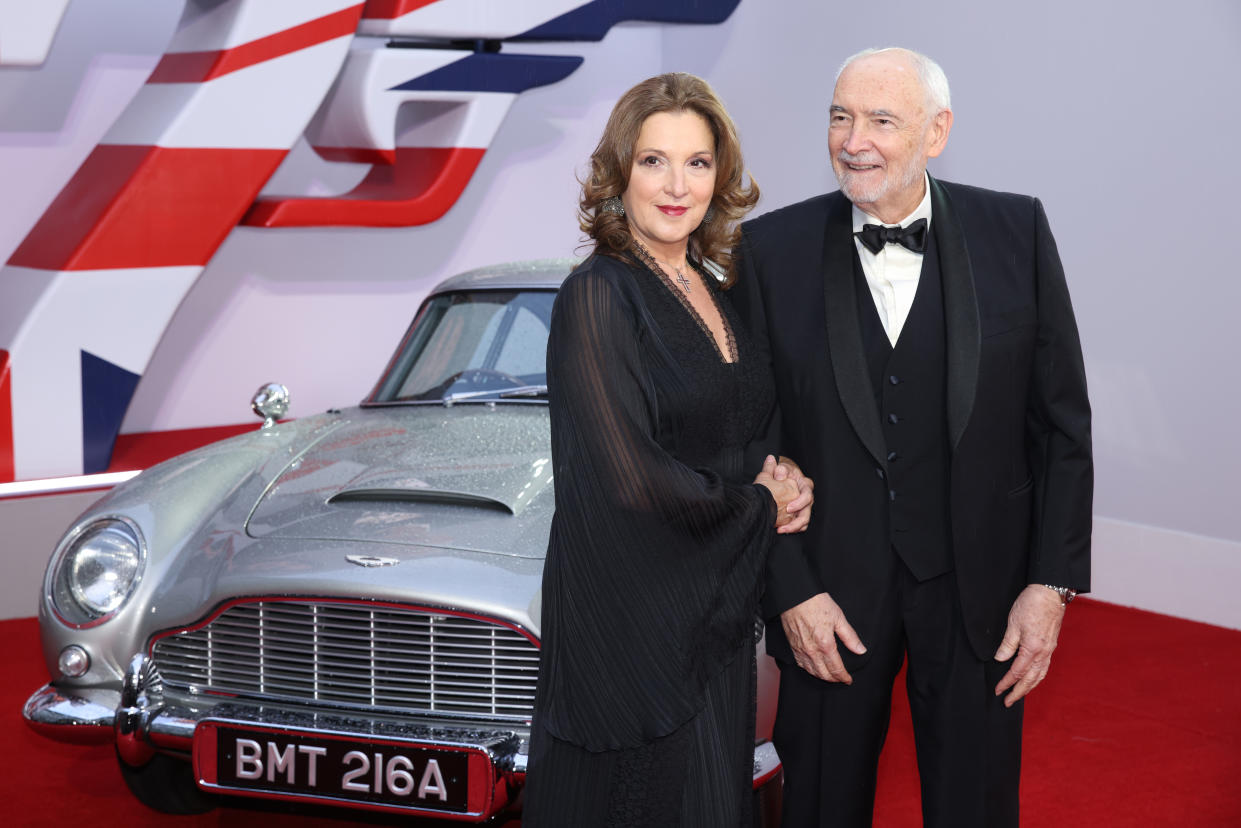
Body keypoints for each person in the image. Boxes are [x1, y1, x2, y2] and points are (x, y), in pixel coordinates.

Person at [730, 47, 1093, 827]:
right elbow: (749, 445)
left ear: (936, 132)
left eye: (880, 120)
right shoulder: (767, 252)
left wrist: (1049, 584)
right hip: (829, 596)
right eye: (839, 116)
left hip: (981, 592)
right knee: (821, 806)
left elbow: (1060, 425)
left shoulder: (1015, 230)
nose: (852, 140)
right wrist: (789, 589)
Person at [523, 72, 813, 826]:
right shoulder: (598, 294)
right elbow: (628, 480)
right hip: (630, 625)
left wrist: (781, 478)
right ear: (619, 173)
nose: (675, 185)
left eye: (696, 162)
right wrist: (760, 503)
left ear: (721, 176)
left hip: (706, 618)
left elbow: (733, 426)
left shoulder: (711, 286)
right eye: (653, 161)